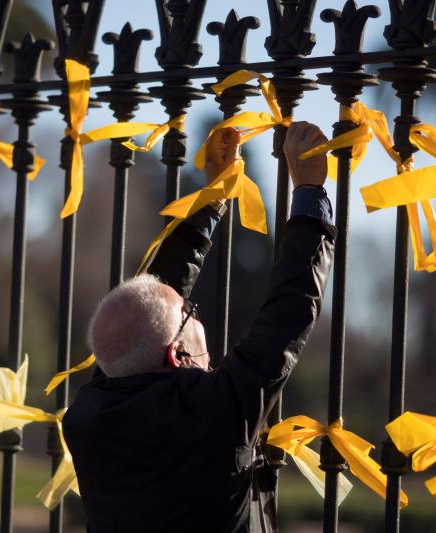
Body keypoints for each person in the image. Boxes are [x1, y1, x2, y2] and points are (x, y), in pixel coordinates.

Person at [63, 122, 336, 533]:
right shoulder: (212, 415)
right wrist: (311, 193)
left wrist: (212, 199)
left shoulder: (87, 414)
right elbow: (289, 313)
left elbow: (150, 306)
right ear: (176, 354)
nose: (195, 313)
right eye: (191, 313)